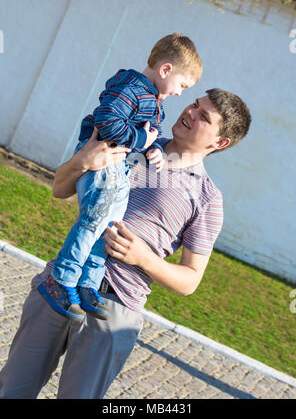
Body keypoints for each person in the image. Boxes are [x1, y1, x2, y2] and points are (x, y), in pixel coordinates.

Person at [0, 88, 251, 399]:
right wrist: (82, 161)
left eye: (204, 116)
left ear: (220, 142)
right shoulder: (133, 142)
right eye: (194, 104)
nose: (190, 112)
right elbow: (60, 188)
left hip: (114, 308)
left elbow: (191, 280)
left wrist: (143, 258)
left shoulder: (207, 198)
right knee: (10, 390)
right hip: (62, 280)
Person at [38, 33, 202, 321]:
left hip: (118, 164)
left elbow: (145, 135)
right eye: (182, 85)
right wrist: (141, 139)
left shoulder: (153, 99)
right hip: (101, 157)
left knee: (110, 225)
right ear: (165, 70)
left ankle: (88, 283)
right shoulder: (130, 86)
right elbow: (108, 121)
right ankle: (61, 278)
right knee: (94, 219)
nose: (179, 93)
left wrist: (151, 150)